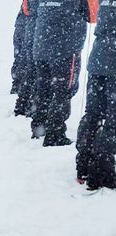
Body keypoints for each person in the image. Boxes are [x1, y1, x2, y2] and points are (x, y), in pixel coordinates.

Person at [30, 0, 95, 146]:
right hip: (64, 48)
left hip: (41, 46)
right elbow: (93, 14)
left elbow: (31, 9)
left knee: (43, 89)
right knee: (63, 91)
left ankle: (39, 127)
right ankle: (55, 133)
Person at [76, 1, 116, 190]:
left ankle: (83, 165)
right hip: (111, 60)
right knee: (112, 120)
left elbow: (91, 14)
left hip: (99, 59)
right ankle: (102, 173)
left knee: (93, 114)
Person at [11, 0, 38, 117]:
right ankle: (26, 101)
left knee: (24, 59)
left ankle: (20, 89)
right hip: (32, 26)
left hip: (27, 24)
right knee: (30, 65)